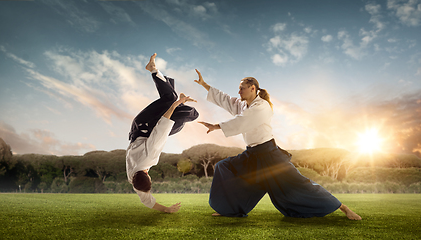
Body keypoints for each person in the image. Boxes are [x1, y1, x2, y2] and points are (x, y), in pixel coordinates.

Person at [194, 69, 361, 220]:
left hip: (269, 155)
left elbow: (244, 121)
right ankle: (229, 209)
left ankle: (343, 208)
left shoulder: (262, 106)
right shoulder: (243, 105)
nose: (239, 91)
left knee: (298, 183)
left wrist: (216, 126)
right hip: (252, 155)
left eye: (242, 88)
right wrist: (204, 85)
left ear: (253, 88)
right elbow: (224, 100)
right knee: (224, 167)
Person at [126, 53, 198, 213]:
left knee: (185, 109)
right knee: (179, 126)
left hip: (147, 124)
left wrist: (177, 103)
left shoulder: (149, 157)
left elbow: (163, 125)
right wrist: (166, 210)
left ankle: (153, 70)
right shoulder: (133, 177)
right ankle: (172, 93)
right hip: (138, 129)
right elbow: (147, 200)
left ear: (148, 176)